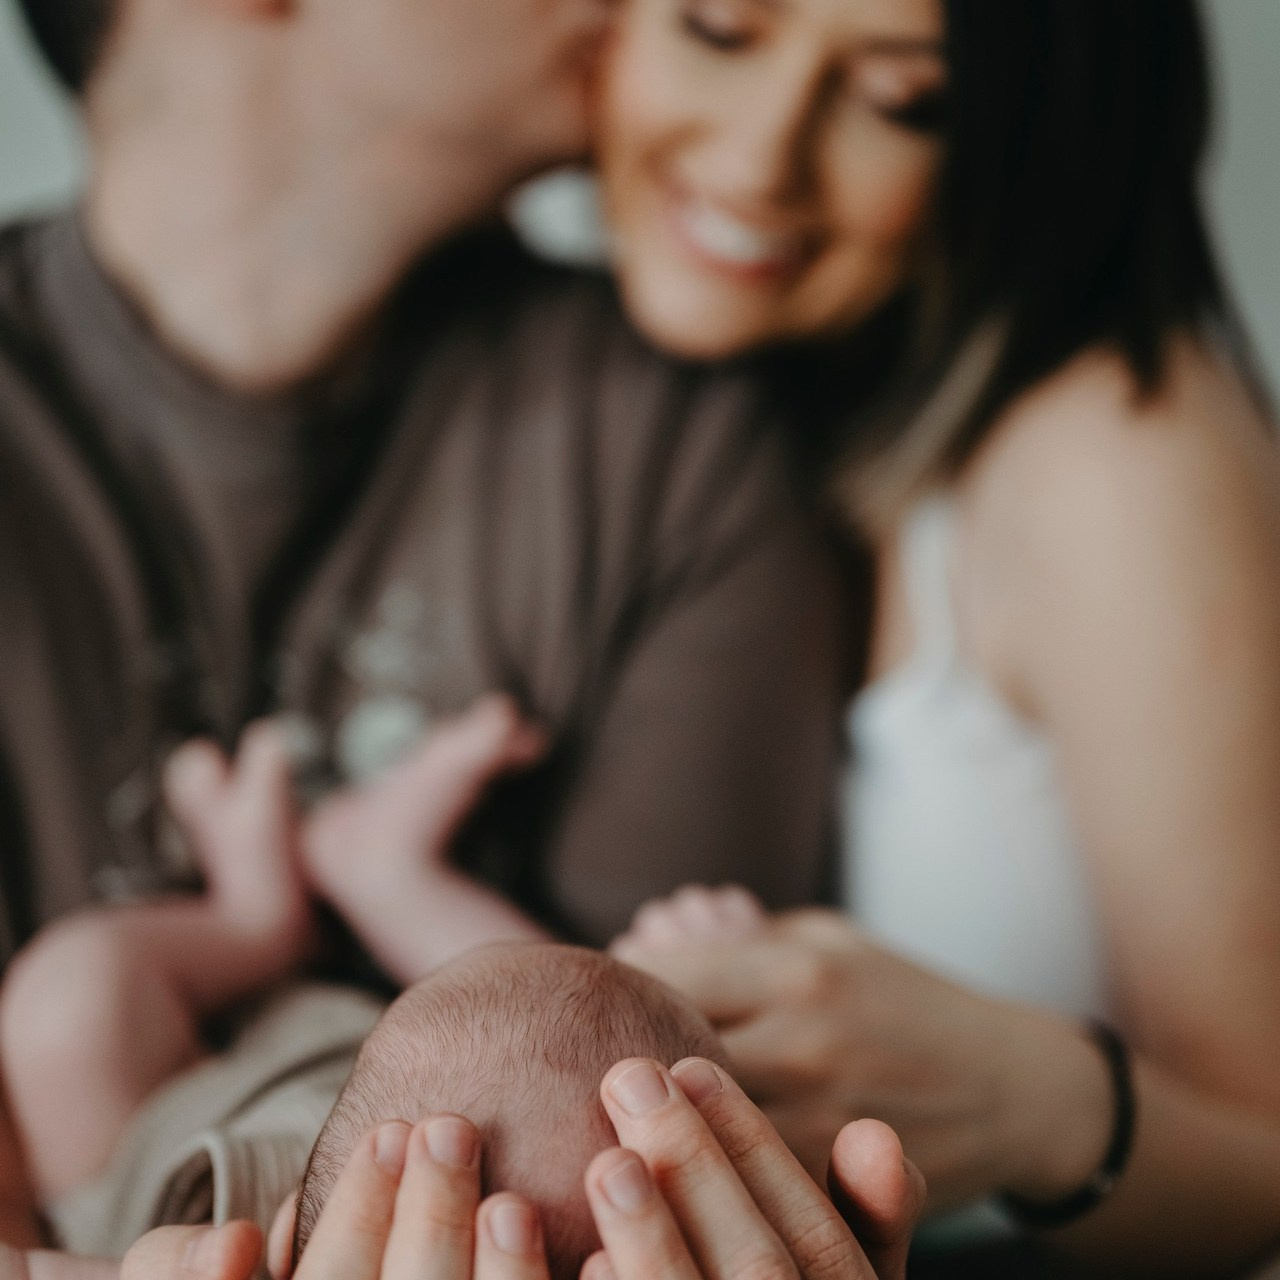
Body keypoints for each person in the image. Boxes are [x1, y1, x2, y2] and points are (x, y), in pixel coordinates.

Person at [588, 0, 1280, 1274]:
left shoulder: (1116, 466)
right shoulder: (744, 409)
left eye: (899, 99)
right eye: (719, 28)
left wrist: (1034, 1100)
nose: (758, 158)